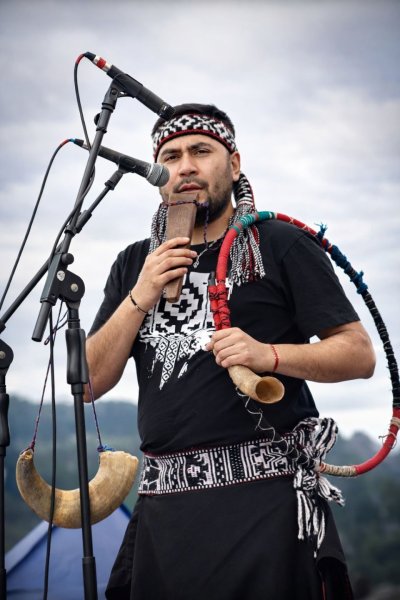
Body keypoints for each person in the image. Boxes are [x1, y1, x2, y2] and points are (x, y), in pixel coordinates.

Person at [85, 103, 376, 600]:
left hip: (266, 509)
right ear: (158, 175)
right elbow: (89, 382)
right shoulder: (134, 263)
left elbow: (359, 353)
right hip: (165, 518)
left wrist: (270, 355)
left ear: (234, 164)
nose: (185, 167)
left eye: (201, 151)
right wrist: (140, 296)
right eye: (171, 156)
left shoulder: (280, 244)